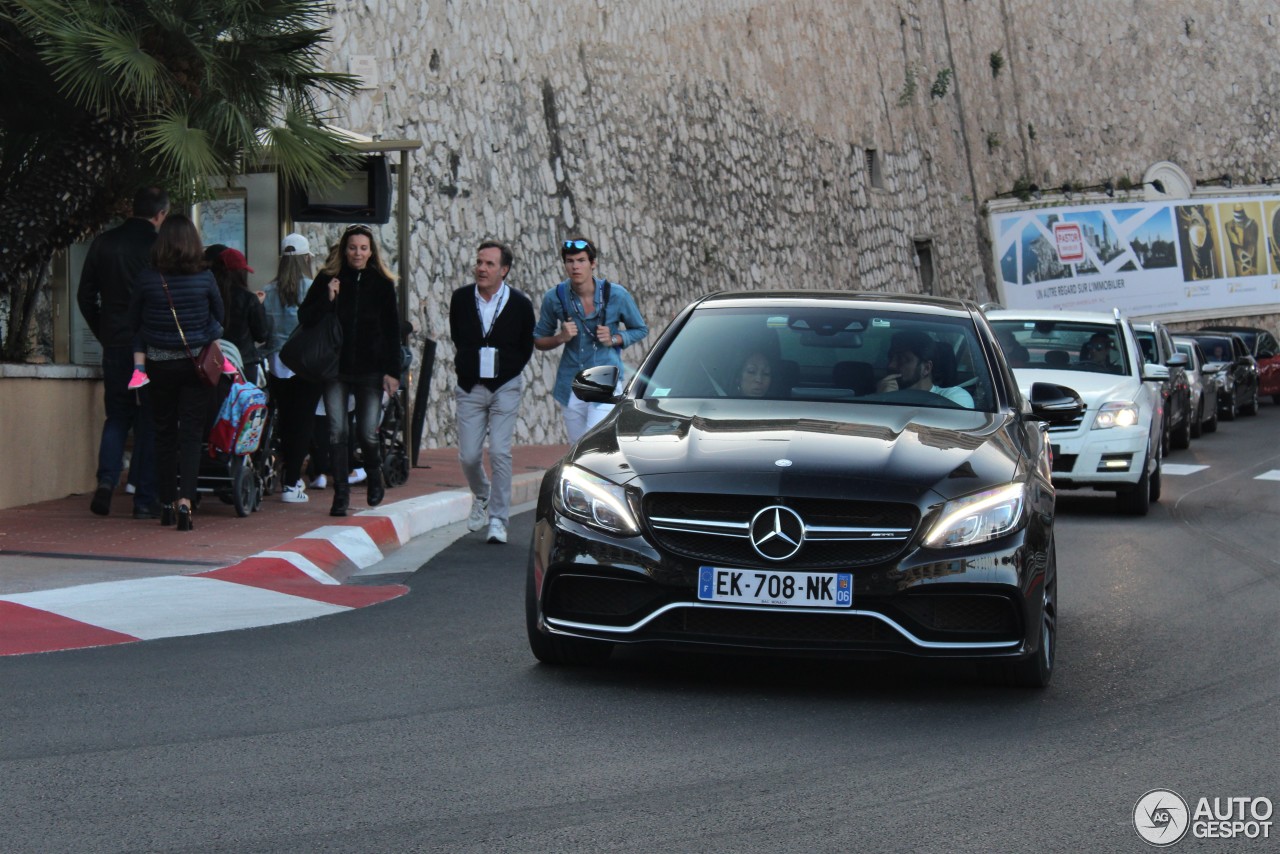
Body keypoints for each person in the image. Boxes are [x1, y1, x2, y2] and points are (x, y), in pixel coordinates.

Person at [296, 225, 402, 517]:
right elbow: (305, 317)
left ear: (371, 251)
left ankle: (373, 472)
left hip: (370, 368)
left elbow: (392, 330)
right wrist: (327, 298)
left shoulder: (381, 283)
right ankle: (340, 494)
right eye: (353, 247)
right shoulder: (328, 279)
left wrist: (392, 371)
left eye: (363, 248)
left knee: (367, 432)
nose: (358, 253)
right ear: (344, 249)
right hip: (335, 368)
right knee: (337, 432)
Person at [127, 213, 223, 531]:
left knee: (164, 434)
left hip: (159, 365)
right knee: (192, 435)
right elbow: (219, 318)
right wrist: (202, 335)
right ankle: (186, 501)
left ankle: (166, 502)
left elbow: (134, 322)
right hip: (195, 365)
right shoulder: (206, 277)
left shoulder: (147, 278)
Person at [76, 187, 168, 519]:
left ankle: (106, 482)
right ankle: (144, 499)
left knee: (116, 414)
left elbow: (85, 295)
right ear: (160, 215)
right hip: (151, 343)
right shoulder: (159, 247)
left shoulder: (104, 242)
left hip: (115, 341)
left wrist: (104, 333)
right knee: (147, 419)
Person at [449, 240, 536, 544]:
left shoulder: (521, 304)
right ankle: (481, 494)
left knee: (499, 450)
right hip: (470, 386)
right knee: (469, 456)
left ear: (504, 270)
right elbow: (457, 337)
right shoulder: (460, 299)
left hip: (505, 387)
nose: (481, 268)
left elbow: (526, 346)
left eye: (489, 264)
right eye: (479, 262)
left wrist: (506, 370)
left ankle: (498, 519)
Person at [533, 237, 648, 442]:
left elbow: (640, 329)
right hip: (571, 383)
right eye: (570, 261)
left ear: (593, 263)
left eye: (581, 260)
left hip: (606, 381)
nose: (575, 266)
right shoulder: (555, 297)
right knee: (578, 448)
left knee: (593, 442)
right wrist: (561, 337)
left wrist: (615, 338)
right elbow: (539, 340)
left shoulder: (617, 295)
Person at [261, 233, 322, 504]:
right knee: (303, 422)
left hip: (276, 363)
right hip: (306, 365)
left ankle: (283, 472)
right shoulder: (313, 288)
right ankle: (291, 482)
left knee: (284, 421)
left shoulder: (268, 290)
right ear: (307, 258)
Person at [875, 330, 974, 407]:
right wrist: (881, 399)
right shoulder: (880, 393)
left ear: (926, 368)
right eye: (891, 358)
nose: (891, 365)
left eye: (902, 360)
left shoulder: (953, 397)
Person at [214, 247, 270, 383]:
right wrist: (258, 305)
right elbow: (261, 335)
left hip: (215, 361)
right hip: (244, 363)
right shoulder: (249, 299)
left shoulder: (211, 296)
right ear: (241, 273)